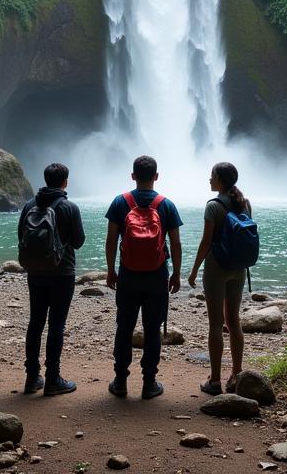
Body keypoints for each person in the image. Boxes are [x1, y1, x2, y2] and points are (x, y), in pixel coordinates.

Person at [105, 155, 183, 400]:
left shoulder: (120, 202)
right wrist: (176, 274)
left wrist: (110, 270)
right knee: (152, 328)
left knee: (124, 327)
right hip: (157, 275)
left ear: (133, 176)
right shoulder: (166, 204)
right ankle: (149, 383)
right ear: (156, 176)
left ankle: (120, 381)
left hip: (128, 274)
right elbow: (176, 243)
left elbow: (111, 240)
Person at [18, 163, 86, 396]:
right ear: (65, 182)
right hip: (62, 273)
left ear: (45, 180)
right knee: (57, 324)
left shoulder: (29, 205)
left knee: (35, 323)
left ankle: (31, 378)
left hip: (35, 272)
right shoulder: (69, 207)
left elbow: (21, 236)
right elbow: (78, 241)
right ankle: (53, 379)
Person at [188, 162, 251, 396]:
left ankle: (215, 381)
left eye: (211, 176)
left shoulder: (213, 206)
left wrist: (194, 270)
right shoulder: (245, 203)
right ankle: (236, 375)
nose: (209, 179)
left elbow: (206, 242)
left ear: (220, 180)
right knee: (234, 321)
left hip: (217, 267)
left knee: (215, 324)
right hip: (239, 267)